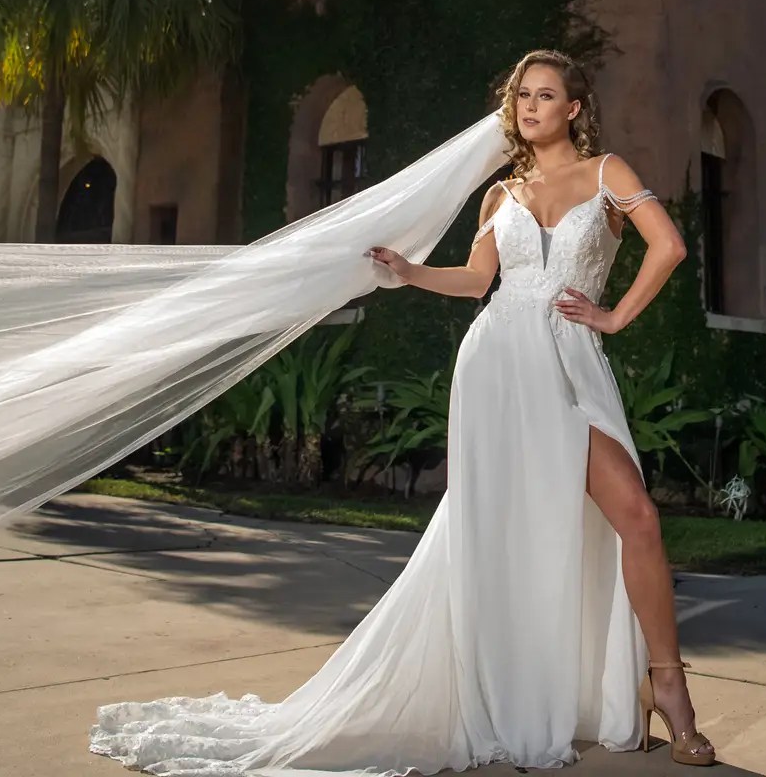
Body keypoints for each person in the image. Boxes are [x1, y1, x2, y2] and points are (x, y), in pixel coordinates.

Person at [91, 49, 717, 774]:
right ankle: (519, 687)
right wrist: (409, 272)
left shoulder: (609, 175)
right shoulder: (500, 196)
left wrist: (612, 318)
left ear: (575, 107)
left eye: (546, 96)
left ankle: (666, 686)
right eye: (521, 98)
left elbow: (668, 247)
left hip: (568, 364)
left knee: (635, 516)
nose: (530, 108)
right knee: (507, 529)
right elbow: (480, 280)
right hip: (496, 367)